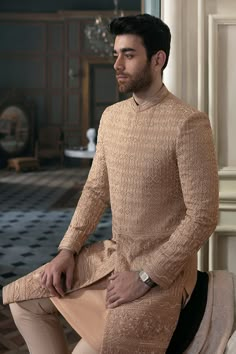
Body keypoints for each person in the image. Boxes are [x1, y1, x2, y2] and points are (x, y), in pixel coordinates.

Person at [3, 14, 219, 354]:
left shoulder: (188, 123)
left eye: (128, 54)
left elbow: (204, 216)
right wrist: (67, 250)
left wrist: (147, 276)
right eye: (116, 53)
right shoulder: (111, 117)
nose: (116, 63)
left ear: (158, 59)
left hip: (163, 275)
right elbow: (95, 190)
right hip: (113, 256)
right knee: (23, 301)